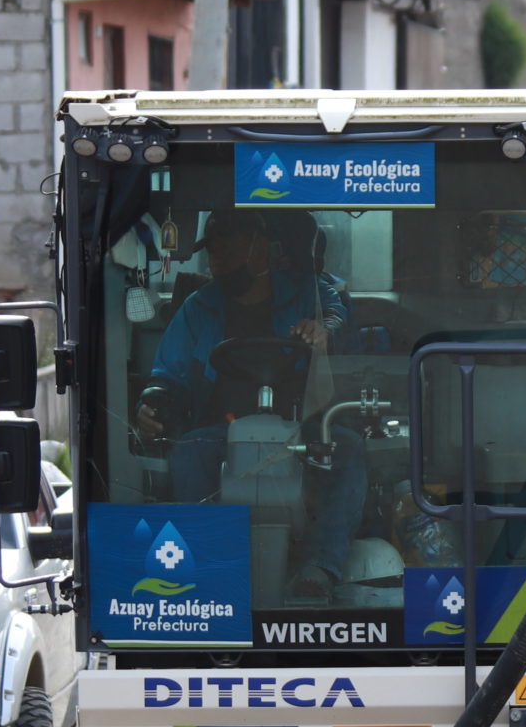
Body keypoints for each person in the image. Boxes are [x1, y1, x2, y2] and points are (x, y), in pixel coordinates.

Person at [137, 213, 363, 598]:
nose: (218, 262)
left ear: (262, 249)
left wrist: (326, 331)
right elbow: (167, 373)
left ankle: (320, 567)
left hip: (304, 430)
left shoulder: (309, 292)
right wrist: (153, 400)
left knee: (350, 449)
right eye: (213, 254)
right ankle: (214, 569)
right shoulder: (198, 307)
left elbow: (340, 318)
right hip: (222, 434)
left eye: (229, 251)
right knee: (189, 455)